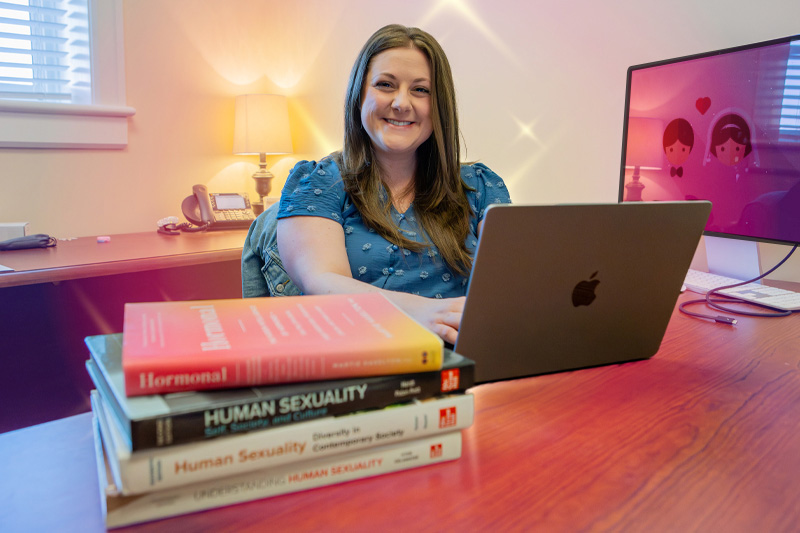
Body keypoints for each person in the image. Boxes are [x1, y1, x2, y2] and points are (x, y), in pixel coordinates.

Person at [269, 24, 511, 344]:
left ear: (439, 106)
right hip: (355, 363)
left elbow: (508, 286)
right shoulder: (318, 182)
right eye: (386, 85)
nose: (401, 103)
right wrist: (422, 313)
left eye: (420, 90)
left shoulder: (481, 186)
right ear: (360, 96)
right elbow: (322, 281)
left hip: (462, 363)